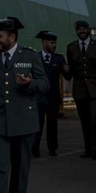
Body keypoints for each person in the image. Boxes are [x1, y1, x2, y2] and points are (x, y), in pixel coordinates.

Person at [0, 17, 47, 193]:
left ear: (12, 36)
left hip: (23, 121)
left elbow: (44, 83)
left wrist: (30, 84)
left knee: (20, 168)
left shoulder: (29, 56)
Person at [66, 21, 96, 159]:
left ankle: (95, 149)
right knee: (84, 120)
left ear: (89, 30)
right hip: (80, 89)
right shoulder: (72, 48)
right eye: (80, 29)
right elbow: (72, 70)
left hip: (95, 88)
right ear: (76, 31)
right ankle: (88, 149)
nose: (82, 31)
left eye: (84, 29)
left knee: (95, 119)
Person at [32, 30, 67, 158]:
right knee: (37, 125)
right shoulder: (35, 57)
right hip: (39, 97)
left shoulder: (59, 58)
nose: (54, 45)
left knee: (53, 125)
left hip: (53, 97)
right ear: (44, 43)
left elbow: (67, 76)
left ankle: (53, 148)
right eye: (51, 43)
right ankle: (34, 148)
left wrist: (68, 70)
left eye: (55, 43)